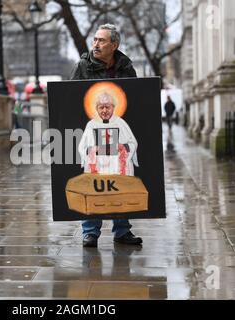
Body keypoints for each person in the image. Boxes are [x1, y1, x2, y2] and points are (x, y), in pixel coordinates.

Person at [71, 23, 142, 248]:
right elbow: (70, 97)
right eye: (95, 40)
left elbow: (136, 102)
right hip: (96, 151)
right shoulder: (83, 66)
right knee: (93, 186)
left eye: (102, 40)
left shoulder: (126, 67)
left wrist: (124, 150)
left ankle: (122, 231)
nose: (96, 44)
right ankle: (90, 232)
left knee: (120, 185)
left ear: (114, 45)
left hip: (117, 152)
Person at [79, 92, 138, 176]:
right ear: (96, 109)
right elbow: (82, 147)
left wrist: (122, 147)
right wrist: (92, 150)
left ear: (113, 107)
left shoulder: (120, 123)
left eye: (107, 107)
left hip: (116, 167)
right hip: (98, 167)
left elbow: (133, 144)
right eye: (101, 107)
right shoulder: (91, 125)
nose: (104, 110)